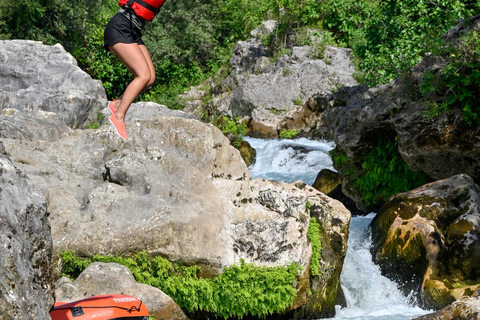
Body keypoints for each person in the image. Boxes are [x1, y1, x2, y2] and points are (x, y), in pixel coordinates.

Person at [104, 0, 166, 140]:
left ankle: (117, 103)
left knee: (149, 79)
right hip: (120, 27)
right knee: (143, 75)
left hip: (133, 30)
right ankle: (119, 117)